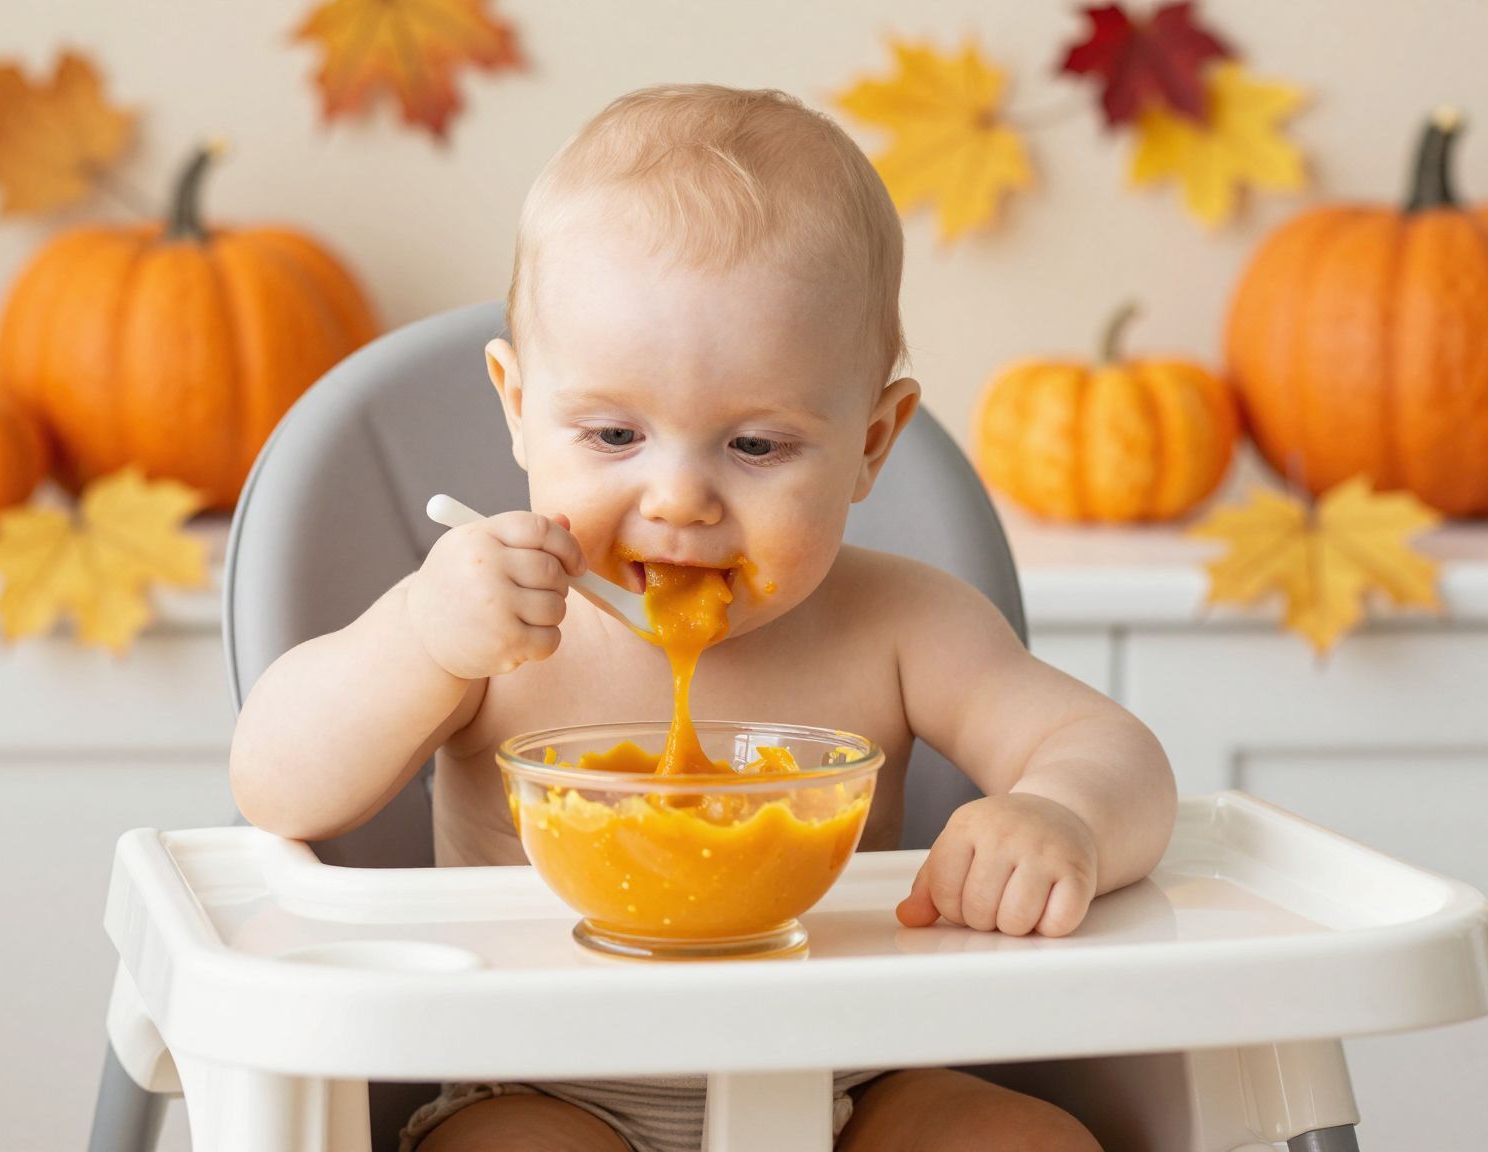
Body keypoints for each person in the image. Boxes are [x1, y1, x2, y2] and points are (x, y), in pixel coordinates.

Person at [231, 83, 1176, 1152]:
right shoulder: (489, 630)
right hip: (544, 1087)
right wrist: (419, 639)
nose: (680, 498)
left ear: (872, 443)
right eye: (613, 435)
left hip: (853, 1084)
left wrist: (1064, 818)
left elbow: (1113, 750)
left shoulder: (905, 626)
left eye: (756, 447)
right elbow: (273, 784)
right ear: (517, 408)